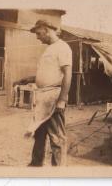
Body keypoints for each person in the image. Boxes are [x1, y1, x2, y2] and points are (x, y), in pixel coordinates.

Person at [16, 20, 72, 166]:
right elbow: (49, 74)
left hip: (53, 97)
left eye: (39, 33)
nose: (37, 37)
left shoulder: (62, 47)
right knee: (39, 133)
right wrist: (30, 79)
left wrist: (62, 100)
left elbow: (67, 74)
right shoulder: (49, 49)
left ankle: (58, 172)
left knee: (57, 137)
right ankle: (36, 164)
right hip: (43, 98)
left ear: (47, 30)